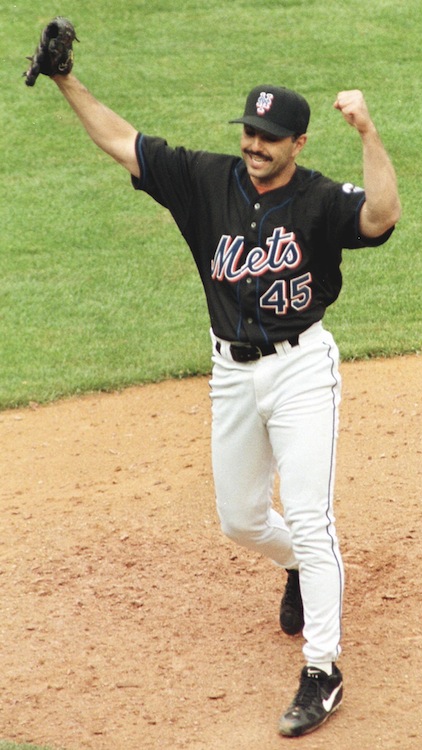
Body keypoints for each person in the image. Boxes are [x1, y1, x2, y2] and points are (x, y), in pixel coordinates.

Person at [48, 68, 400, 736]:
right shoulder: (205, 180)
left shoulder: (320, 200)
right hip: (230, 374)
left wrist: (367, 132)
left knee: (309, 514)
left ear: (297, 142)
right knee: (240, 520)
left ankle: (322, 670)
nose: (254, 144)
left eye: (269, 136)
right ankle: (294, 562)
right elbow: (123, 142)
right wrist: (67, 80)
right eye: (248, 131)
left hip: (301, 371)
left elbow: (381, 215)